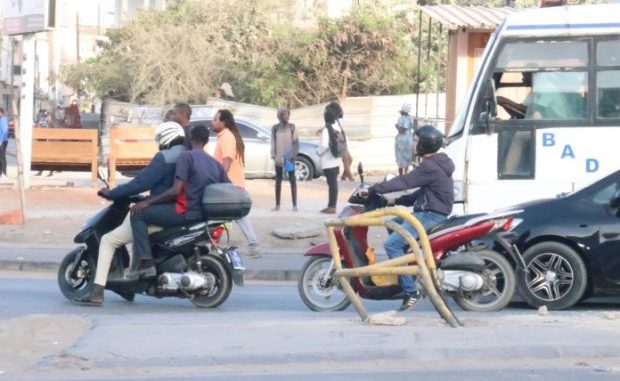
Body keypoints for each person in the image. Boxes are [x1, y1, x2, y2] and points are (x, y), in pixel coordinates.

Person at [75, 121, 187, 305]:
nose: (159, 143)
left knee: (108, 240)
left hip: (163, 212)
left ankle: (97, 293)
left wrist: (113, 193)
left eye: (159, 138)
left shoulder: (165, 157)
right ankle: (128, 284)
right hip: (178, 209)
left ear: (167, 137)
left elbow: (141, 181)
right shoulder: (188, 155)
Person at [365, 125, 454, 311]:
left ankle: (410, 290)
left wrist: (374, 188)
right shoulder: (438, 163)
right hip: (430, 213)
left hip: (430, 216)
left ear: (425, 143)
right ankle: (407, 270)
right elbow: (422, 192)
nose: (413, 143)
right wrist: (394, 202)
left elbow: (405, 181)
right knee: (391, 223)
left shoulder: (430, 166)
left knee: (392, 244)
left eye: (416, 140)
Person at [128, 125, 229, 278]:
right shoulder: (215, 164)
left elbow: (175, 190)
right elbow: (227, 188)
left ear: (190, 139)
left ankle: (145, 261)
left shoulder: (186, 157)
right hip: (204, 216)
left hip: (185, 211)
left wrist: (147, 202)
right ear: (207, 141)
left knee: (137, 214)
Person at [213, 109, 263, 259]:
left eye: (216, 120)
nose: (213, 122)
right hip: (232, 185)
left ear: (224, 122)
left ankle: (253, 246)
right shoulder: (226, 136)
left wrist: (220, 181)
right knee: (229, 216)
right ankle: (252, 245)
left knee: (223, 215)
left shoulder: (227, 137)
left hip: (229, 186)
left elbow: (227, 160)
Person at [317, 105, 344, 214]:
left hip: (328, 161)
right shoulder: (337, 127)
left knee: (332, 183)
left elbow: (324, 145)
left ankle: (332, 206)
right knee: (333, 183)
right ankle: (331, 205)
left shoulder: (326, 130)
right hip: (336, 159)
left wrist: (319, 153)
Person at [271, 107, 298, 212]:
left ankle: (294, 205)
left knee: (292, 180)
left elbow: (295, 142)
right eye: (284, 115)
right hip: (278, 157)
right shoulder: (275, 128)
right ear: (280, 116)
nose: (286, 116)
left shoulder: (292, 127)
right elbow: (273, 142)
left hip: (289, 157)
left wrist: (293, 155)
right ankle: (277, 205)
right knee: (278, 181)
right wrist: (273, 154)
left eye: (287, 114)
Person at [394, 102, 415, 176]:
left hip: (402, 140)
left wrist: (396, 126)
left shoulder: (401, 119)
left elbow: (402, 130)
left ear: (402, 112)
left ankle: (401, 175)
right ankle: (406, 173)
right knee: (407, 157)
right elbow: (414, 127)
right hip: (409, 139)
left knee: (400, 158)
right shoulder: (412, 118)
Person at [0, 108, 8, 179]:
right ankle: (1, 173)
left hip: (2, 141)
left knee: (2, 157)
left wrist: (1, 140)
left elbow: (5, 131)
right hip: (1, 141)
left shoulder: (3, 120)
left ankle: (4, 173)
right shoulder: (1, 120)